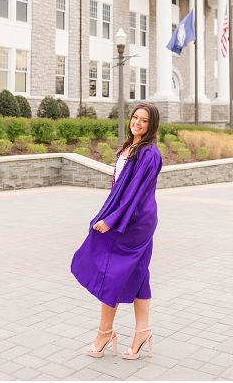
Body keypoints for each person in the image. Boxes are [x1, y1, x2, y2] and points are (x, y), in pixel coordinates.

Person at [71, 103, 163, 360]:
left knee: (110, 271)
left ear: (152, 124)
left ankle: (105, 332)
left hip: (135, 222)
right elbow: (119, 188)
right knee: (138, 272)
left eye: (144, 120)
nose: (138, 123)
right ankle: (142, 332)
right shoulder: (130, 147)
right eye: (135, 117)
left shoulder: (150, 154)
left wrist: (111, 220)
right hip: (128, 216)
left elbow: (135, 192)